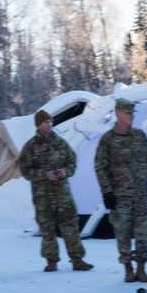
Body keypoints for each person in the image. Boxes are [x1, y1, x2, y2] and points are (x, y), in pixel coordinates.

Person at [18, 110, 94, 273]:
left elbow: (72, 161)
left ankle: (77, 259)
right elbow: (24, 170)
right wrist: (44, 175)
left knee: (70, 225)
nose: (49, 125)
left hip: (62, 194)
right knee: (47, 228)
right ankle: (51, 260)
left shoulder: (60, 143)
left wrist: (65, 171)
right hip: (42, 195)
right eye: (46, 122)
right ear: (38, 125)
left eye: (50, 122)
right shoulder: (30, 146)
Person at [95, 98, 147, 283]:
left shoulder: (140, 135)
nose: (132, 116)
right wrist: (107, 192)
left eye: (133, 113)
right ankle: (128, 268)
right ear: (118, 114)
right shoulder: (107, 140)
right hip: (120, 197)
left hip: (141, 195)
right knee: (122, 234)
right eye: (128, 113)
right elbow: (101, 167)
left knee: (143, 233)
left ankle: (141, 268)